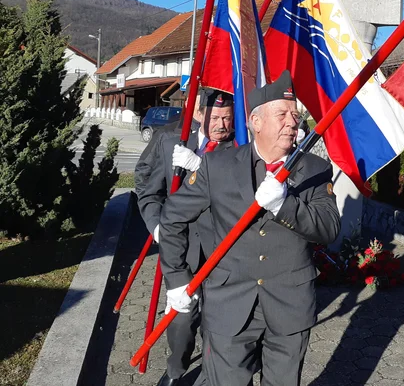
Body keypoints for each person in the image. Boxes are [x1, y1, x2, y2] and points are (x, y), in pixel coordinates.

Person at [158, 71, 341, 386]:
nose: (292, 122)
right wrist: (176, 280)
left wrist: (285, 206)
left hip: (289, 305)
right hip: (228, 303)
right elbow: (172, 217)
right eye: (282, 114)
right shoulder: (217, 167)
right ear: (256, 122)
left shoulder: (314, 169)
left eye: (295, 115)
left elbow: (327, 228)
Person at [135, 89, 236, 386]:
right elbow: (147, 185)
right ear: (197, 114)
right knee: (181, 315)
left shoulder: (240, 146)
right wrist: (155, 225)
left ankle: (211, 371)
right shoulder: (169, 139)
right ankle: (176, 369)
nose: (222, 125)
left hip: (222, 243)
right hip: (179, 244)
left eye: (228, 118)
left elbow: (240, 190)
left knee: (218, 316)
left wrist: (202, 168)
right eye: (215, 117)